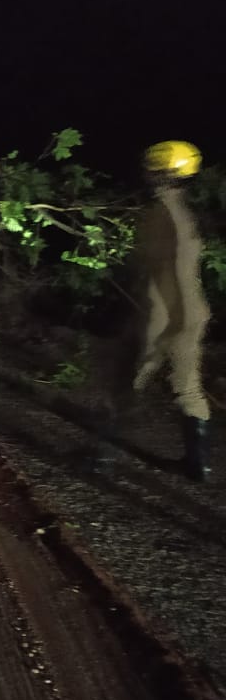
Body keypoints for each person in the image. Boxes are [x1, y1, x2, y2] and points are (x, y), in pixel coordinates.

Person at [132, 140, 213, 481]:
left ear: (164, 172)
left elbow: (171, 276)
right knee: (188, 387)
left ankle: (99, 450)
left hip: (171, 313)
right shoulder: (180, 210)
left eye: (154, 169)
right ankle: (199, 465)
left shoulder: (163, 214)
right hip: (191, 312)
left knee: (133, 376)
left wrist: (165, 326)